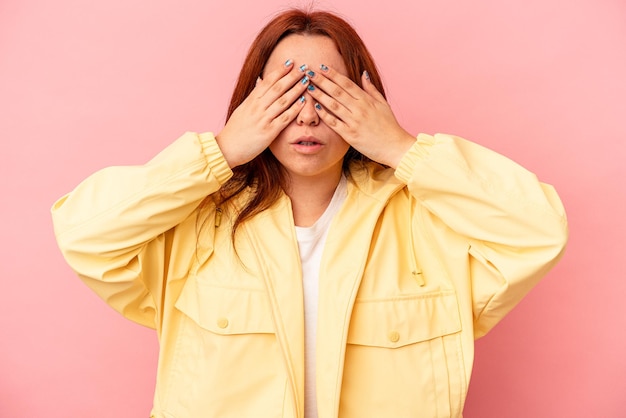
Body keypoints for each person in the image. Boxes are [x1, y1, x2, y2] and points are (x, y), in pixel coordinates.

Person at [51, 8, 568, 418]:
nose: (306, 114)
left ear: (365, 98)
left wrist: (404, 149)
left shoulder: (425, 226)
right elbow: (84, 232)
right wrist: (222, 150)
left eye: (326, 90)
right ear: (252, 100)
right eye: (286, 91)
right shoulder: (199, 225)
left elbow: (539, 230)